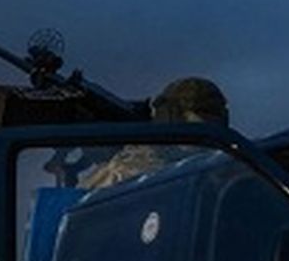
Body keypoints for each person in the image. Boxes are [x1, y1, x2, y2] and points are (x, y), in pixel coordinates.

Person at [79, 76, 230, 190]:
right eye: (201, 115)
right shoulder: (133, 167)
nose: (209, 124)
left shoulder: (226, 166)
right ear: (170, 118)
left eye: (214, 116)